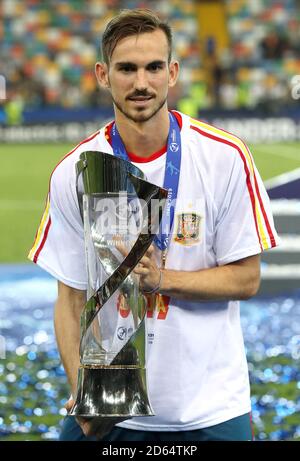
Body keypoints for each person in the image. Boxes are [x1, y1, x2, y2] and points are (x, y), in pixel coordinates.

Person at [28, 9, 279, 442]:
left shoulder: (225, 157)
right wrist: (80, 387)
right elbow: (69, 299)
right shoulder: (75, 171)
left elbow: (248, 278)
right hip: (112, 413)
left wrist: (162, 279)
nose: (141, 82)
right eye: (126, 68)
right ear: (103, 75)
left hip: (208, 410)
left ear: (173, 72)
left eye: (153, 67)